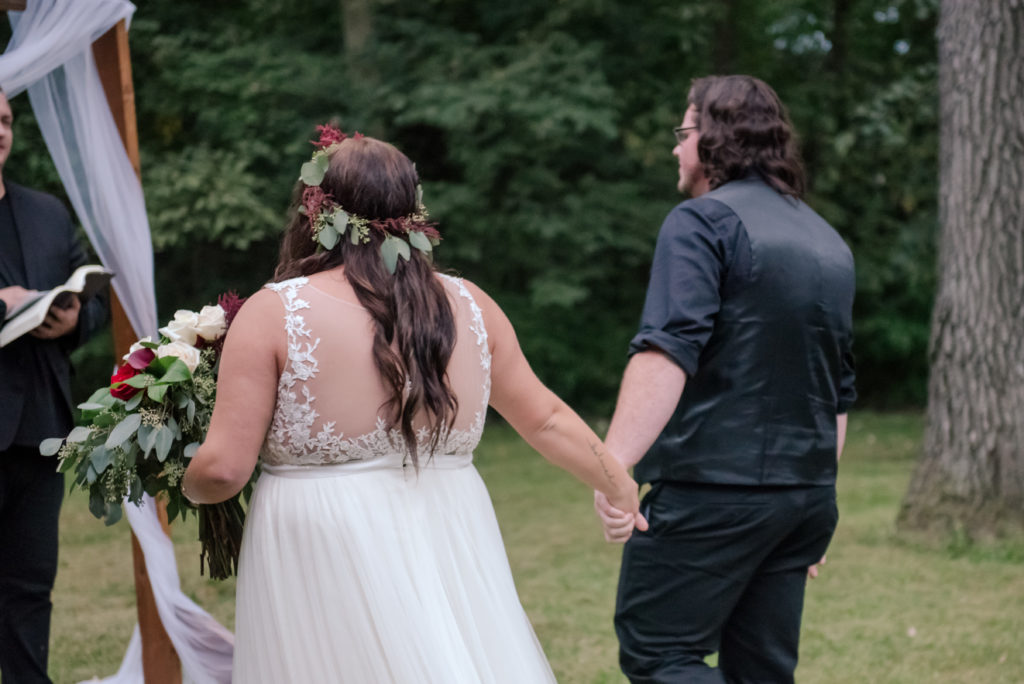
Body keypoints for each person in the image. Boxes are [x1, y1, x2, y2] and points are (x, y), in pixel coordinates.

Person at [182, 126, 646, 683]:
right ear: (413, 210)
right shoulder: (471, 305)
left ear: (315, 211)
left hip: (325, 546)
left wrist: (180, 478)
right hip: (450, 527)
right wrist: (617, 483)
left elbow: (225, 469)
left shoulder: (274, 311)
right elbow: (545, 418)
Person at [593, 75, 856, 683]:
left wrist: (611, 467)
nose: (675, 149)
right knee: (762, 671)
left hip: (715, 492)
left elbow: (665, 351)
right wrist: (818, 498)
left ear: (712, 138)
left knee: (660, 655)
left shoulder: (700, 222)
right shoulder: (829, 242)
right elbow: (837, 389)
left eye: (683, 134)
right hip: (805, 498)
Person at [0, 89, 108, 683]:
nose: (0, 130)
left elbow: (88, 303)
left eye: (7, 120)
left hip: (41, 427)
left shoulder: (45, 212)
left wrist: (72, 318)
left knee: (30, 585)